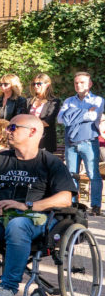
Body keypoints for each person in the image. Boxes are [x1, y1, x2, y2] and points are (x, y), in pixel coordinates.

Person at [0, 114, 77, 296]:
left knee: (18, 225)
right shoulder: (0, 159)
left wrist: (27, 206)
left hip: (35, 218)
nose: (7, 132)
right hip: (0, 216)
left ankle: (8, 289)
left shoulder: (50, 162)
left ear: (32, 132)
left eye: (13, 128)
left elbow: (65, 197)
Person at [58, 71, 103, 214]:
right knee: (71, 174)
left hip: (89, 141)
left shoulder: (98, 100)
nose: (78, 85)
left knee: (93, 174)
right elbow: (61, 119)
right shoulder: (68, 101)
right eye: (76, 82)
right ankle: (73, 204)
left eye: (82, 82)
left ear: (90, 84)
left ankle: (95, 206)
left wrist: (72, 114)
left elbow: (93, 115)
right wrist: (83, 112)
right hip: (70, 142)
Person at [27, 73, 61, 153]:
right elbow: (22, 117)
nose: (36, 86)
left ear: (47, 84)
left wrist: (28, 124)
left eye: (39, 84)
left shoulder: (54, 101)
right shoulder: (29, 101)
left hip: (45, 139)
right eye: (34, 84)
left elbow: (48, 122)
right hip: (29, 138)